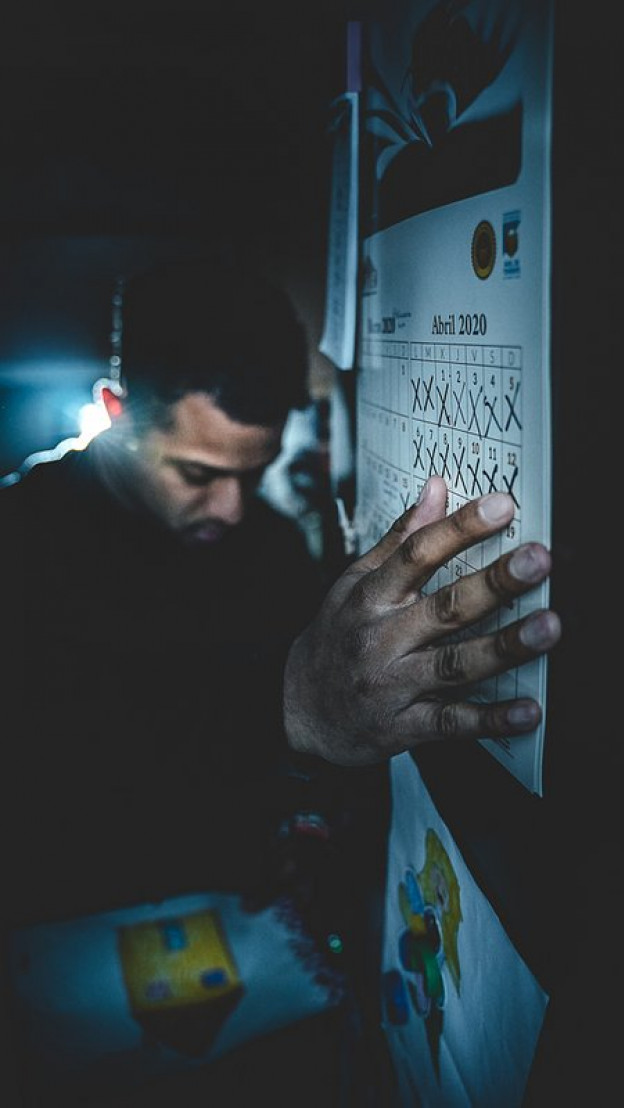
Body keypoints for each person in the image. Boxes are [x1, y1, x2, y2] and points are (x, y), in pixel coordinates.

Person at [0, 254, 560, 1105]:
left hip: (260, 971)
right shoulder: (20, 543)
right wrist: (286, 707)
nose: (231, 508)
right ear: (114, 412)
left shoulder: (265, 547)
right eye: (197, 474)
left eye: (253, 472)